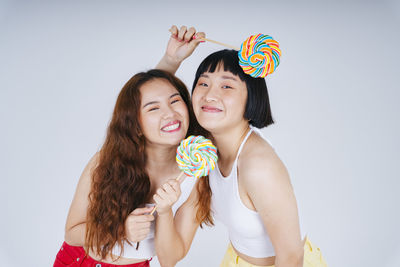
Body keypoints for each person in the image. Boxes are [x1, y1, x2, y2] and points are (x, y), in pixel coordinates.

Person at [156, 25, 328, 267]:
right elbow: (170, 256)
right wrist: (164, 211)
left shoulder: (258, 166)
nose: (210, 95)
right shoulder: (206, 151)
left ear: (252, 97)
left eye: (227, 86)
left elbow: (291, 257)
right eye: (203, 84)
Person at [53, 69, 211, 267]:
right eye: (153, 108)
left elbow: (169, 260)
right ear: (136, 124)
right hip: (76, 259)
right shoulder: (108, 158)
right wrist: (121, 230)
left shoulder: (196, 176)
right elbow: (71, 233)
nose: (170, 113)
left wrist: (164, 212)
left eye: (175, 101)